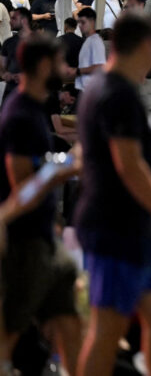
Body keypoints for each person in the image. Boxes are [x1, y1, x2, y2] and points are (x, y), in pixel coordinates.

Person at [74, 14, 151, 376]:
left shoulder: (104, 89)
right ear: (147, 45)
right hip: (115, 228)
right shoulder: (116, 93)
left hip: (130, 229)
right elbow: (130, 166)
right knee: (108, 329)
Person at [0, 37, 82, 376]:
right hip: (24, 239)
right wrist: (66, 167)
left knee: (68, 316)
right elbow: (23, 184)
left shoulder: (34, 109)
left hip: (44, 235)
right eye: (59, 63)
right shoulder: (19, 115)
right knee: (13, 323)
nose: (64, 70)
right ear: (43, 66)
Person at [75, 7, 105, 91]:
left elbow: (99, 67)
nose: (80, 26)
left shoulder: (95, 41)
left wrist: (77, 71)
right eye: (79, 22)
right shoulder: (88, 41)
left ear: (92, 22)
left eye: (83, 22)